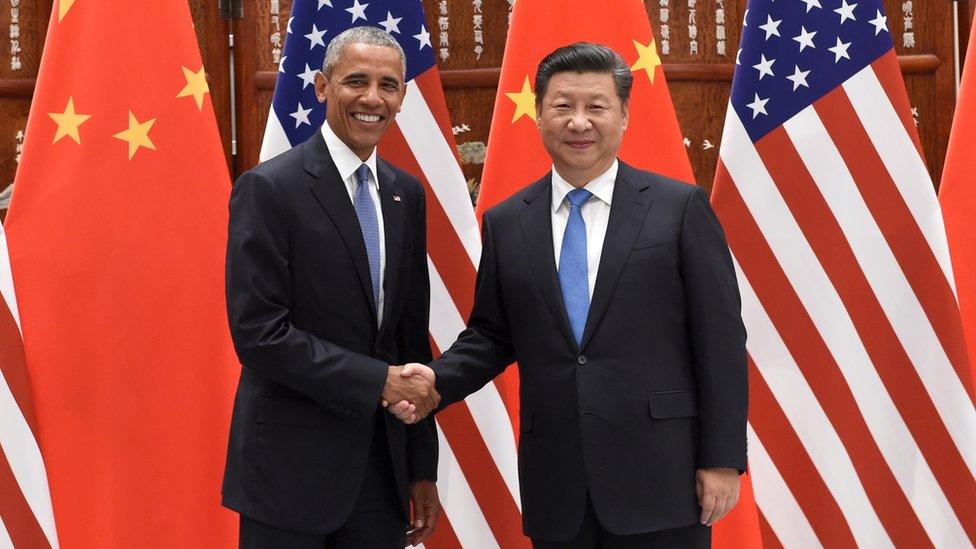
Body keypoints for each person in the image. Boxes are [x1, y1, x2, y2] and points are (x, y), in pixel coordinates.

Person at [393, 42, 747, 548]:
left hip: (663, 477)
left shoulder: (678, 208)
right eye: (562, 106)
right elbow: (492, 334)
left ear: (623, 115)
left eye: (595, 107)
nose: (578, 122)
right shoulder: (507, 220)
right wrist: (435, 380)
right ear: (539, 115)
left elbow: (721, 341)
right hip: (558, 483)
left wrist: (722, 458)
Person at [222, 26, 441, 548]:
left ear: (403, 96)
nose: (372, 99)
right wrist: (376, 382)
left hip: (380, 474)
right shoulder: (269, 188)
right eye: (356, 81)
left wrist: (420, 466)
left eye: (388, 85)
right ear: (322, 86)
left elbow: (409, 340)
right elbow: (259, 334)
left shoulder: (405, 195)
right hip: (288, 473)